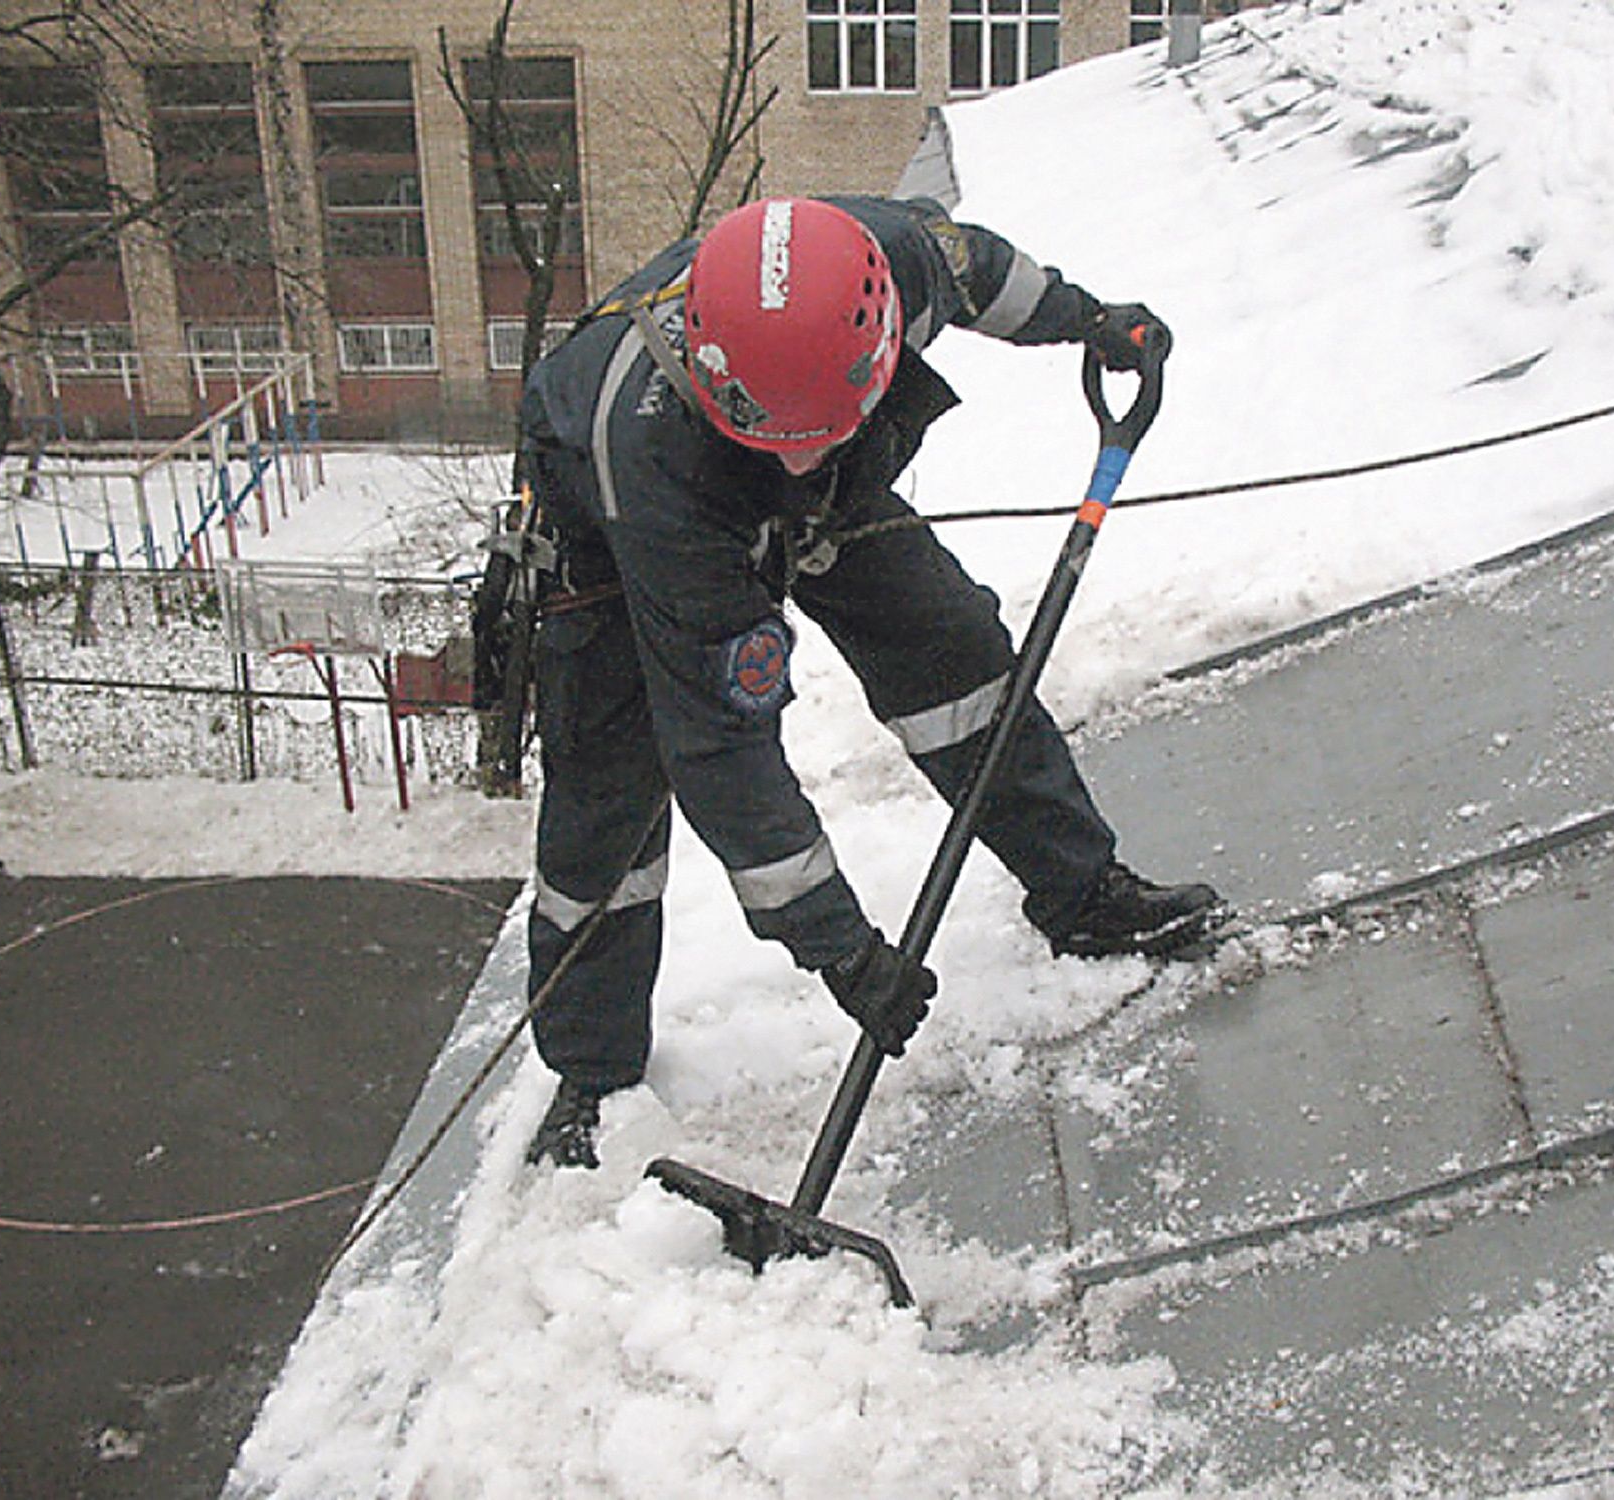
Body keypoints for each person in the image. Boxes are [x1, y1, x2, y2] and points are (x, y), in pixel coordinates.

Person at [517, 194, 1222, 1168]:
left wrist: (1088, 321)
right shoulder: (647, 457)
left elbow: (989, 274)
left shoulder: (896, 262)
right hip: (610, 538)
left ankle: (1083, 894)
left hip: (805, 463)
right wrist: (840, 949)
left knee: (954, 662)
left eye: (816, 433)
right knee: (610, 809)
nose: (800, 456)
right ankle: (590, 1074)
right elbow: (721, 742)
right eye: (785, 440)